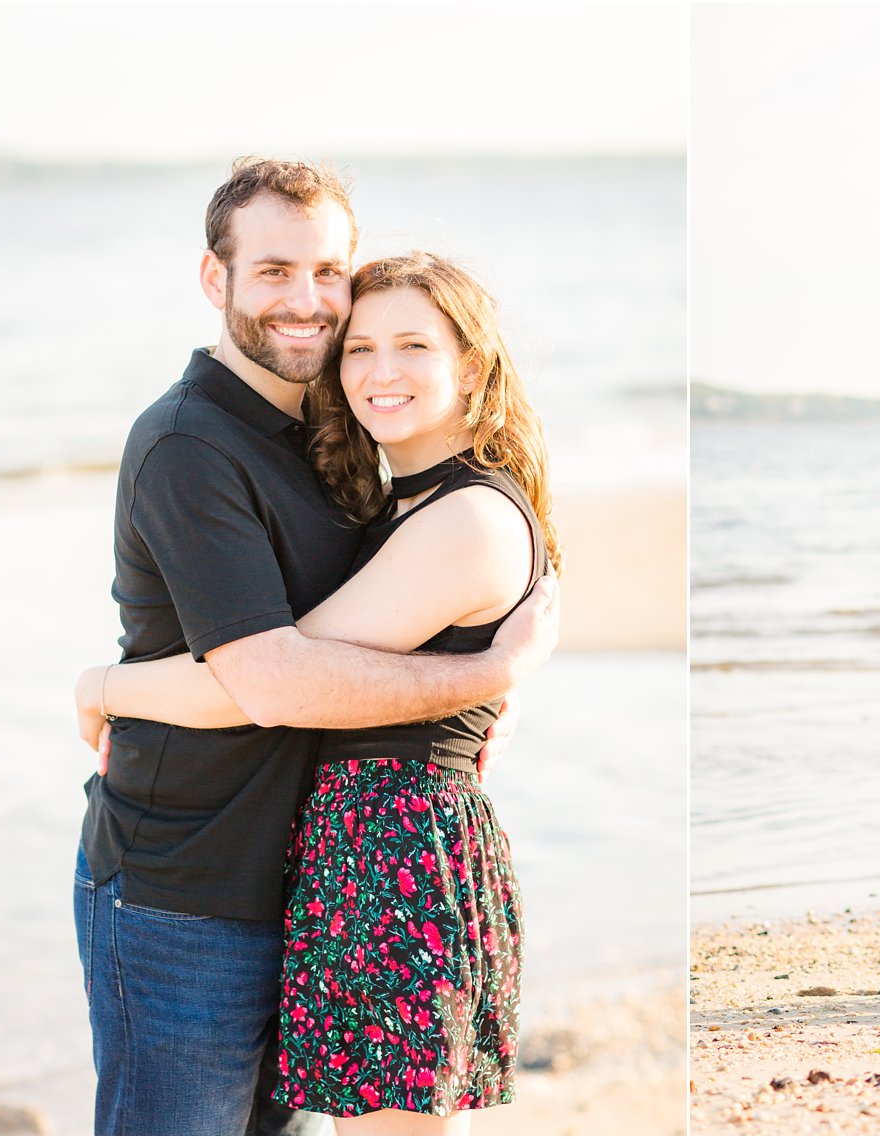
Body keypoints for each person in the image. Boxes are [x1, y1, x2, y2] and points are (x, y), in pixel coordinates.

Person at [71, 160, 559, 1136]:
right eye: (273, 271)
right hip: (187, 886)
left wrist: (471, 692)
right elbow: (274, 676)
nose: (307, 302)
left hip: (319, 878)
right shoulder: (189, 442)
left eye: (328, 272)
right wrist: (479, 678)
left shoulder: (334, 447)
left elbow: (445, 590)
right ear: (216, 280)